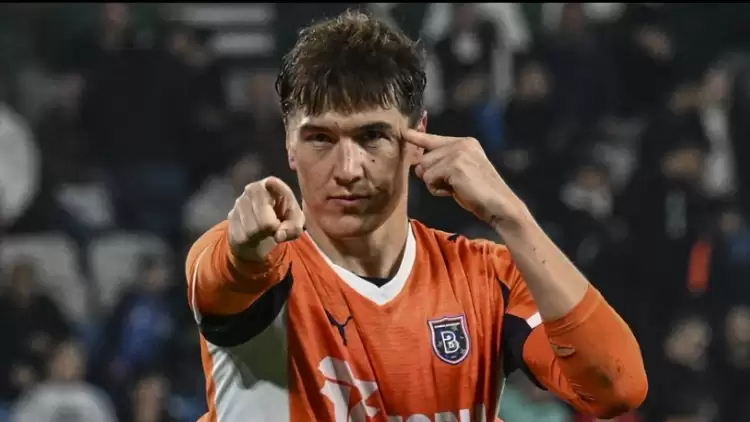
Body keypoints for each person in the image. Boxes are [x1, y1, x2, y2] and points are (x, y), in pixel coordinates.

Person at [185, 10, 648, 422]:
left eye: (372, 136)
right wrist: (244, 247)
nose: (348, 169)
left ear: (417, 134)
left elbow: (617, 387)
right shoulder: (257, 264)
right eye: (320, 138)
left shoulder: (487, 277)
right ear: (289, 143)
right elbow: (225, 276)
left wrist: (512, 216)